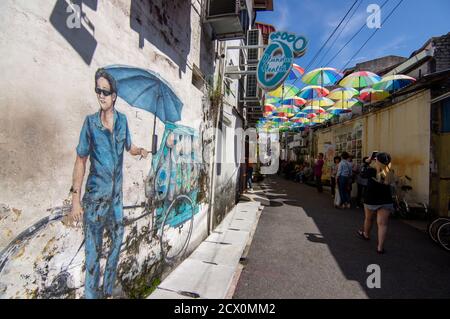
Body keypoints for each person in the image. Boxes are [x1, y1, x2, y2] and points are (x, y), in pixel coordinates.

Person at [65, 68, 150, 299]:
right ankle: (92, 295)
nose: (100, 95)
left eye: (105, 91)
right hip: (94, 199)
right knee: (93, 255)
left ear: (114, 96)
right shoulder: (90, 123)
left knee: (117, 241)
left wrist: (140, 150)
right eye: (97, 90)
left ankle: (107, 290)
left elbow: (128, 147)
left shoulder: (122, 121)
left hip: (115, 200)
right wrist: (75, 200)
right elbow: (80, 160)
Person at [357, 152, 395, 254]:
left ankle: (366, 234)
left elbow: (361, 173)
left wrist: (366, 162)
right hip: (386, 200)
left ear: (377, 160)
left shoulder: (371, 171)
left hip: (371, 199)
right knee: (383, 224)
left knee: (369, 218)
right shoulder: (390, 171)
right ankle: (380, 247)